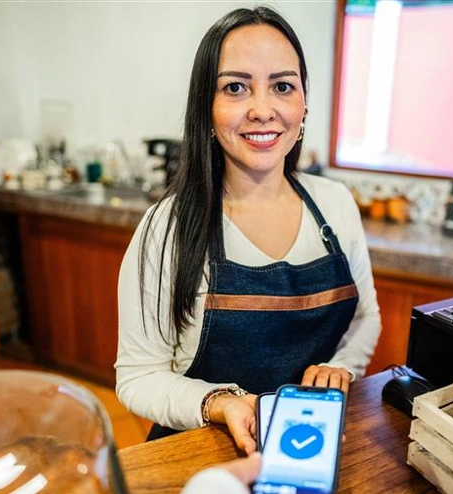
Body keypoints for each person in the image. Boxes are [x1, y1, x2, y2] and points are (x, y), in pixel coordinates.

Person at [115, 5, 381, 450]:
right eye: (236, 88)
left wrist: (343, 366)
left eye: (282, 86)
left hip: (307, 444)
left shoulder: (335, 204)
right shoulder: (168, 226)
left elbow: (366, 317)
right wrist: (220, 402)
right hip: (199, 450)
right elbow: (138, 376)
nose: (262, 110)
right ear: (207, 106)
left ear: (303, 103)